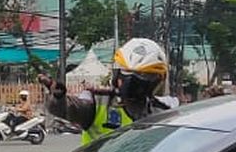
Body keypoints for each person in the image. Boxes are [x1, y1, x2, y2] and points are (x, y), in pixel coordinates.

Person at [39, 38, 176, 144]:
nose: (133, 85)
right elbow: (68, 108)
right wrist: (58, 97)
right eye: (126, 75)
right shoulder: (98, 101)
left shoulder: (161, 112)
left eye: (145, 78)